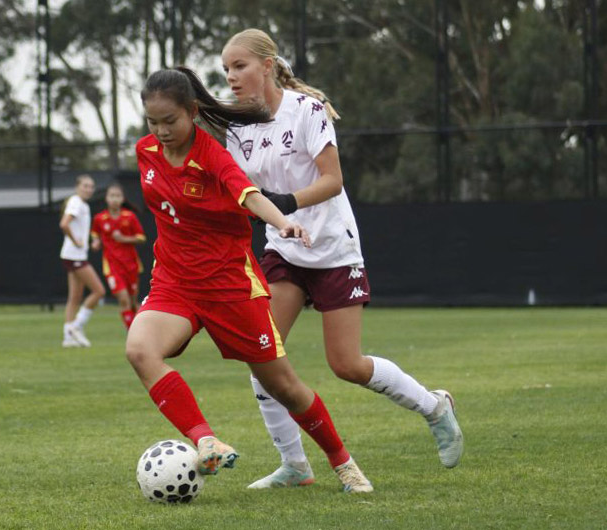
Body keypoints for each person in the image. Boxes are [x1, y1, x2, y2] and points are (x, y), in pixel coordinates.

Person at [221, 28, 464, 489]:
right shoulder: (237, 126)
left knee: (346, 364)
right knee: (261, 351)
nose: (232, 77)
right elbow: (237, 188)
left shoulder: (307, 110)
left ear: (267, 65)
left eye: (240, 66)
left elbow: (333, 180)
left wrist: (284, 204)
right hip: (284, 250)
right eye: (226, 70)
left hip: (333, 248)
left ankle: (435, 407)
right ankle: (295, 465)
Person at [126, 66, 373, 493]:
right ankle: (205, 441)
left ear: (193, 112)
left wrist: (285, 223)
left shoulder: (214, 157)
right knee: (139, 349)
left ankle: (342, 462)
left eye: (171, 121)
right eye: (153, 122)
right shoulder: (145, 152)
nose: (162, 131)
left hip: (229, 288)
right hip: (175, 283)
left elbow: (250, 196)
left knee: (285, 387)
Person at [90, 183, 146, 330]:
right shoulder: (100, 218)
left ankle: (142, 330)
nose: (114, 199)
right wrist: (96, 242)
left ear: (122, 199)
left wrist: (123, 239)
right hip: (112, 265)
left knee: (134, 303)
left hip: (131, 264)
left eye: (117, 196)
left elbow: (141, 238)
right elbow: (95, 235)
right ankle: (132, 332)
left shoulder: (130, 216)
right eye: (111, 196)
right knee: (123, 299)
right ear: (107, 198)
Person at [59, 175, 106, 348]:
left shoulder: (83, 205)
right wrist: (76, 241)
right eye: (85, 186)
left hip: (75, 255)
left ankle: (67, 337)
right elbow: (64, 224)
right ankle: (76, 327)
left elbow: (76, 228)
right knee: (99, 291)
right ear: (77, 186)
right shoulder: (76, 202)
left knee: (75, 297)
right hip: (74, 256)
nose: (89, 189)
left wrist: (87, 242)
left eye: (91, 186)